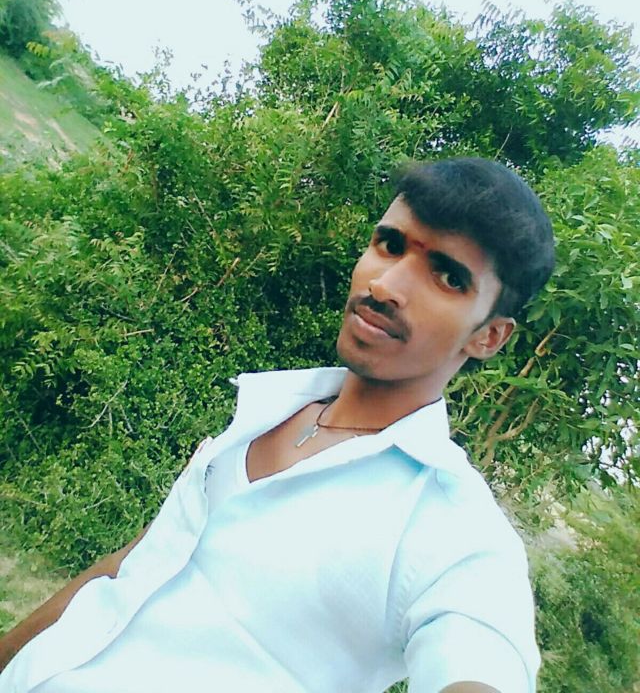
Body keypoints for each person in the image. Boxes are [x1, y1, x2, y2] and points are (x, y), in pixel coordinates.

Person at [0, 157, 555, 693]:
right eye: (389, 245)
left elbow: (481, 658)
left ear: (488, 336)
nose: (386, 285)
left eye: (448, 277)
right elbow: (129, 569)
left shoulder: (453, 531)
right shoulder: (270, 408)